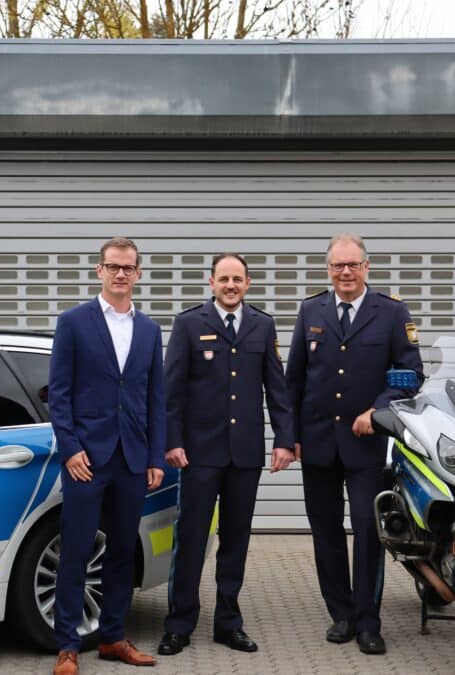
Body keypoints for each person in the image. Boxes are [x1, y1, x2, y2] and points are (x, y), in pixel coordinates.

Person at [286, 233, 424, 656]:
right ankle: (342, 615)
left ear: (367, 266)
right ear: (328, 270)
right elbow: (294, 379)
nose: (345, 272)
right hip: (318, 443)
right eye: (337, 266)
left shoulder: (392, 312)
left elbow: (411, 374)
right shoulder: (312, 309)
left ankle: (368, 621)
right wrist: (290, 438)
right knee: (325, 531)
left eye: (352, 265)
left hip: (368, 445)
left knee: (367, 530)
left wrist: (377, 410)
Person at [157, 253, 295, 657]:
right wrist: (172, 441)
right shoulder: (188, 324)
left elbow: (278, 389)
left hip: (245, 457)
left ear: (248, 283)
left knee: (235, 542)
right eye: (224, 279)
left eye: (237, 279)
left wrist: (285, 440)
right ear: (211, 282)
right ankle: (179, 624)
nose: (231, 285)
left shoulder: (262, 325)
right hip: (198, 455)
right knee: (192, 540)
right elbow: (172, 393)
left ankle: (228, 623)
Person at [48, 236, 166, 675]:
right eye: (113, 266)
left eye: (128, 267)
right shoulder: (74, 323)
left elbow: (156, 399)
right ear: (99, 271)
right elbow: (58, 396)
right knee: (76, 552)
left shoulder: (150, 331)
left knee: (121, 553)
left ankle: (114, 638)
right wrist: (71, 448)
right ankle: (67, 646)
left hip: (133, 460)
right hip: (86, 460)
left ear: (137, 274)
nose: (120, 274)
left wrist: (156, 457)